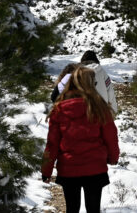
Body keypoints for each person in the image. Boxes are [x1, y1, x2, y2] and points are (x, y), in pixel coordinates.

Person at [42, 66, 120, 213]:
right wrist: (113, 157)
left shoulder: (59, 109)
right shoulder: (99, 107)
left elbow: (52, 143)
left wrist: (46, 169)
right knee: (93, 209)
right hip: (95, 168)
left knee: (72, 209)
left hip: (68, 169)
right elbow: (111, 136)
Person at [80, 50, 119, 114]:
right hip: (101, 110)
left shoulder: (76, 73)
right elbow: (110, 91)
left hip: (83, 111)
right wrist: (113, 111)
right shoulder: (102, 72)